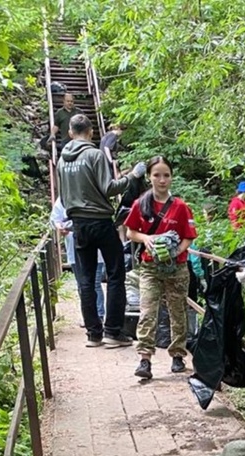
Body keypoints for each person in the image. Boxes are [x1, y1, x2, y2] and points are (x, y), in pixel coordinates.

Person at [57, 114, 145, 348]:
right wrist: (132, 176)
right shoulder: (94, 155)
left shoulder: (62, 160)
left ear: (70, 133)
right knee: (116, 273)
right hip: (100, 221)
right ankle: (113, 331)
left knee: (86, 279)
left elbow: (63, 197)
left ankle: (93, 334)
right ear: (91, 132)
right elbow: (109, 188)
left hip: (78, 225)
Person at [122, 157, 196, 380]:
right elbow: (130, 232)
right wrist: (146, 238)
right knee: (147, 311)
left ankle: (177, 355)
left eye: (166, 175)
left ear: (171, 177)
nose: (162, 180)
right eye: (157, 175)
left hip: (177, 267)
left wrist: (176, 251)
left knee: (178, 311)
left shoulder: (181, 207)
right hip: (150, 266)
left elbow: (189, 236)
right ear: (149, 177)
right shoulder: (141, 204)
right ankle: (145, 358)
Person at [49, 198, 105, 319]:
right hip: (74, 248)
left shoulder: (92, 193)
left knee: (95, 284)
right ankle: (89, 317)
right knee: (82, 285)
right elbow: (55, 218)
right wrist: (60, 227)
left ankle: (99, 315)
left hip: (95, 247)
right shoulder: (63, 198)